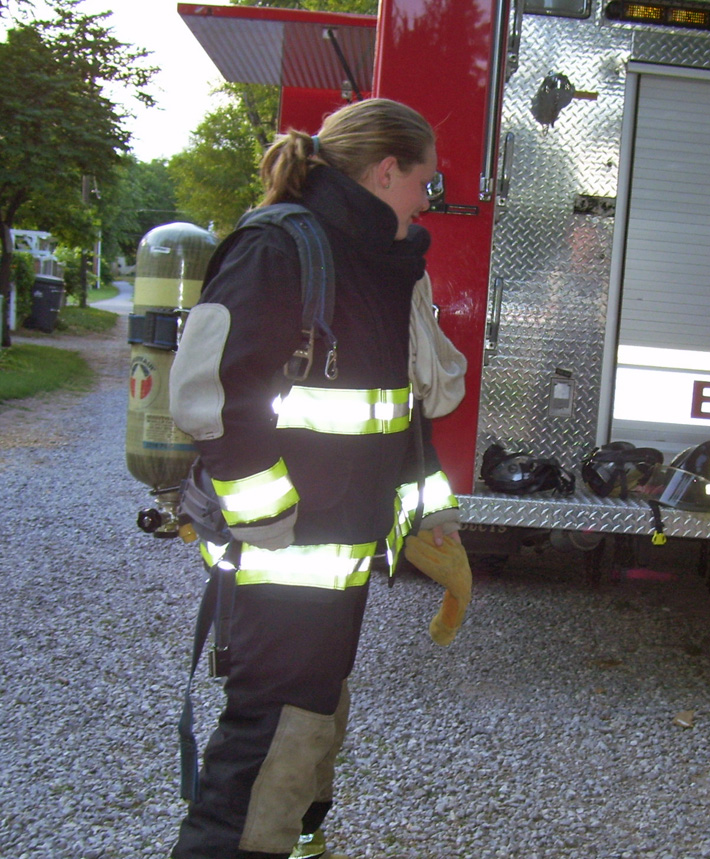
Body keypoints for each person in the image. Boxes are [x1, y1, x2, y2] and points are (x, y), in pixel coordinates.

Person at [167, 98, 461, 858]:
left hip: (338, 550)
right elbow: (211, 399)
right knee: (268, 735)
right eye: (425, 181)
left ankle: (300, 842)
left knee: (312, 717)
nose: (429, 199)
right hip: (281, 553)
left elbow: (394, 410)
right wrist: (266, 520)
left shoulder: (379, 261)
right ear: (386, 171)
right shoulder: (280, 249)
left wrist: (430, 510)